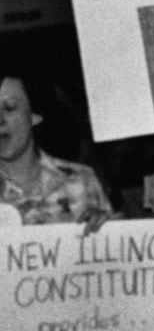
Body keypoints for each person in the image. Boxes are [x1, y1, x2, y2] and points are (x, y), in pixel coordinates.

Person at [0, 65, 111, 230]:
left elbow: (113, 249)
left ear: (34, 116)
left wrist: (105, 228)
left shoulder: (82, 179)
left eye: (9, 107)